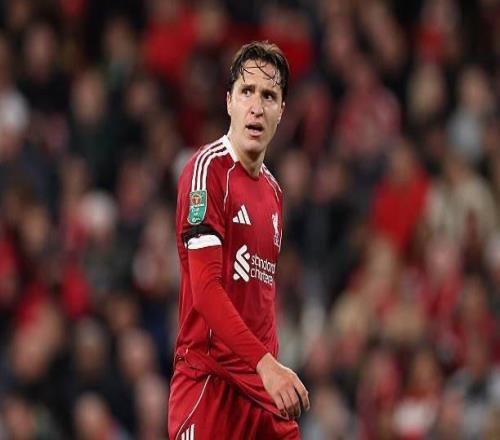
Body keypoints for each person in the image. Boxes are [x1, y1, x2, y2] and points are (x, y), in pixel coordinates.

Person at [168, 41, 310, 439]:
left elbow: (259, 302)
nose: (257, 107)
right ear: (229, 101)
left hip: (259, 396)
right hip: (209, 388)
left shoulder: (274, 193)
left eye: (269, 96)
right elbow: (206, 290)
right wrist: (266, 365)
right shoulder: (207, 171)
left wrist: (269, 367)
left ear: (281, 112)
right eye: (247, 91)